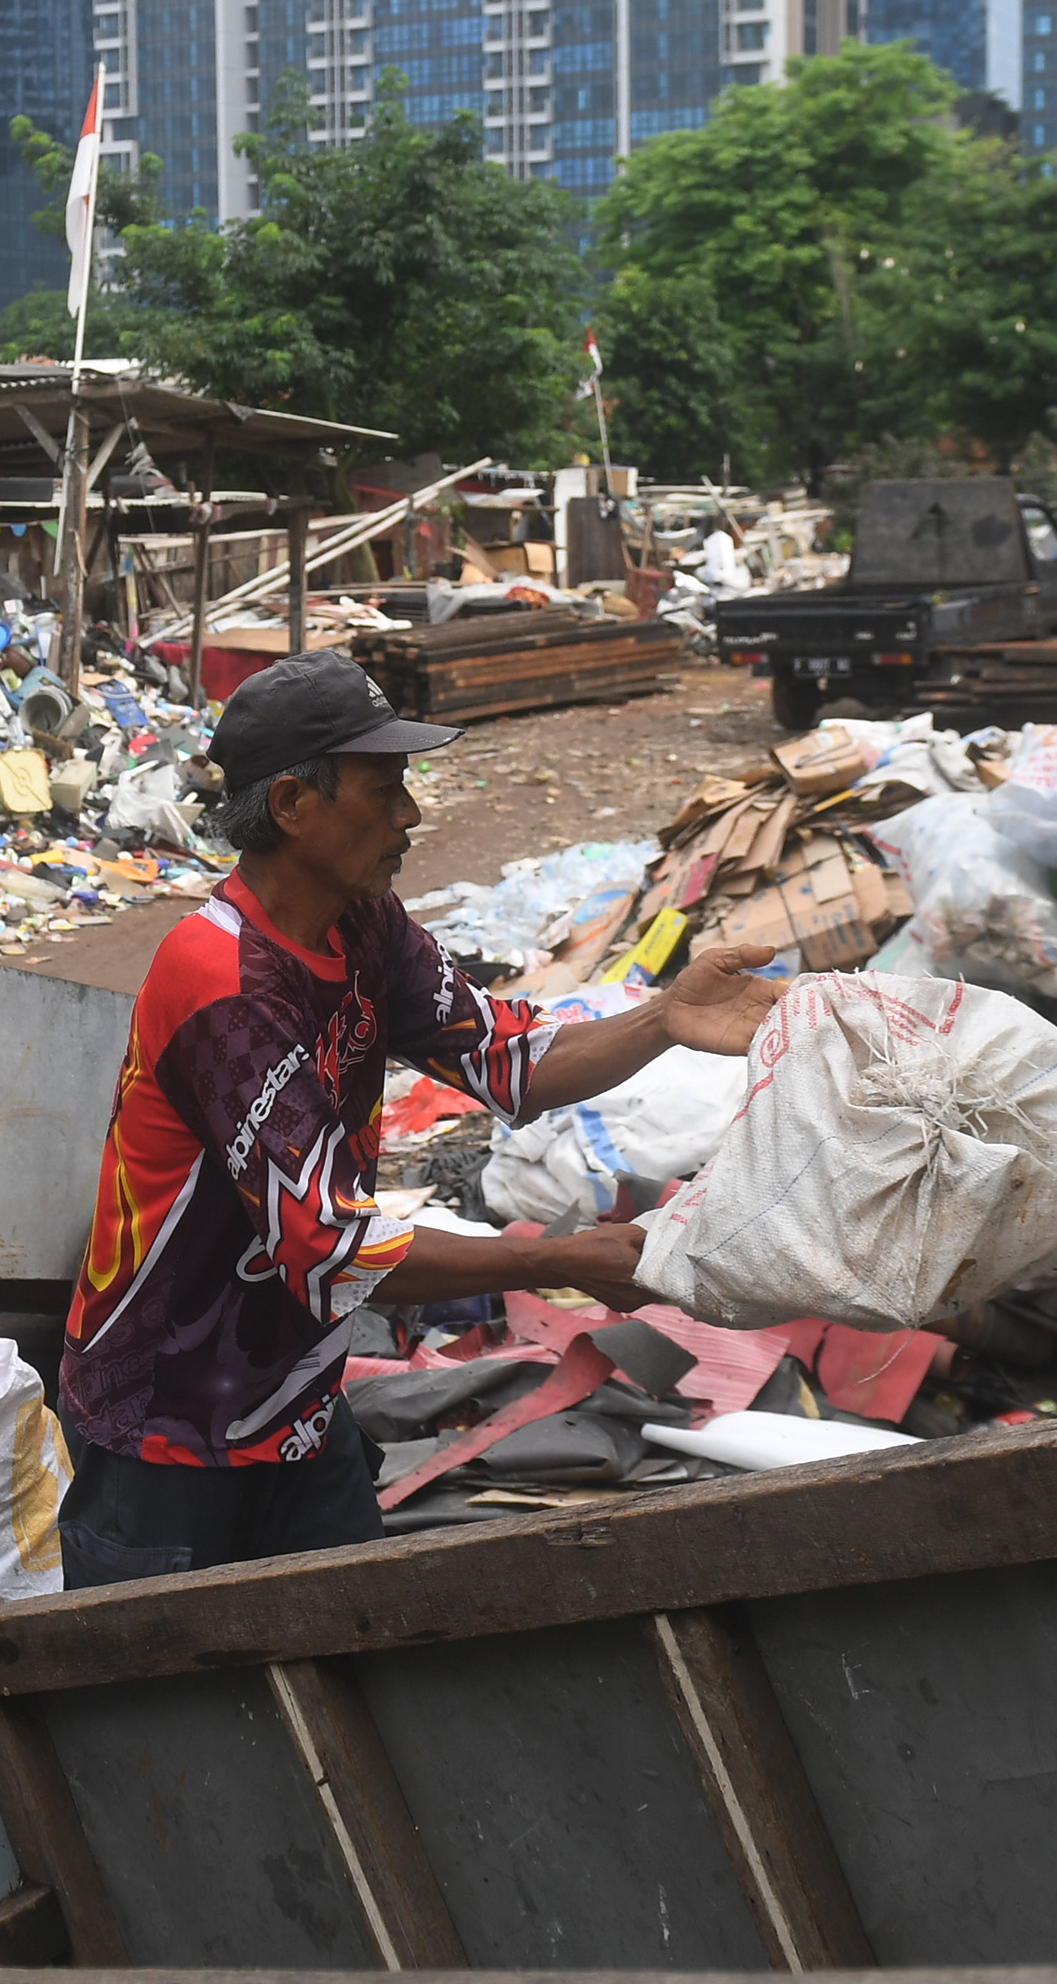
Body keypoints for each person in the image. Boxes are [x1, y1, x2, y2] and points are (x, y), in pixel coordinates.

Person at [53, 651, 783, 1586]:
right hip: (166, 1426)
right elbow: (334, 1251)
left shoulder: (366, 926)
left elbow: (506, 1061)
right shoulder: (223, 984)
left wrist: (665, 1018)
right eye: (385, 787)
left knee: (346, 1661)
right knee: (159, 1705)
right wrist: (557, 1258)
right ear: (291, 806)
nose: (412, 814)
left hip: (292, 1404)